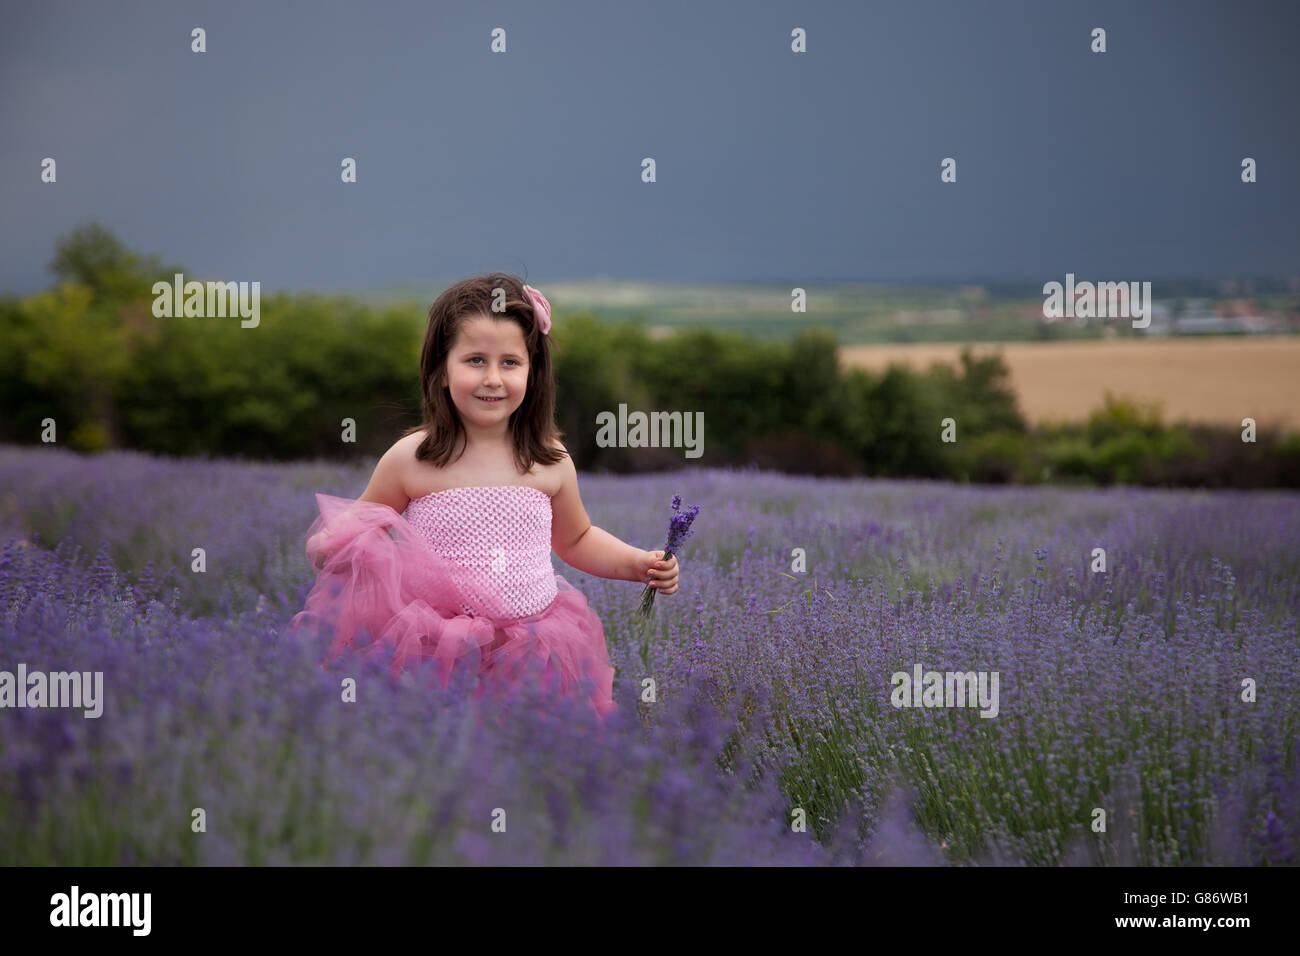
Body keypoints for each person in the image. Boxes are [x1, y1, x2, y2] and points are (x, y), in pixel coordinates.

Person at [287, 273, 678, 724]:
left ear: (533, 371)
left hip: (535, 646)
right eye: (474, 360)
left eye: (510, 362)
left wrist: (636, 564)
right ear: (441, 368)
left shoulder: (549, 461)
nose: (492, 378)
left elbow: (576, 539)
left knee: (532, 752)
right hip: (439, 646)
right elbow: (363, 519)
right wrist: (333, 544)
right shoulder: (414, 457)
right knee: (442, 747)